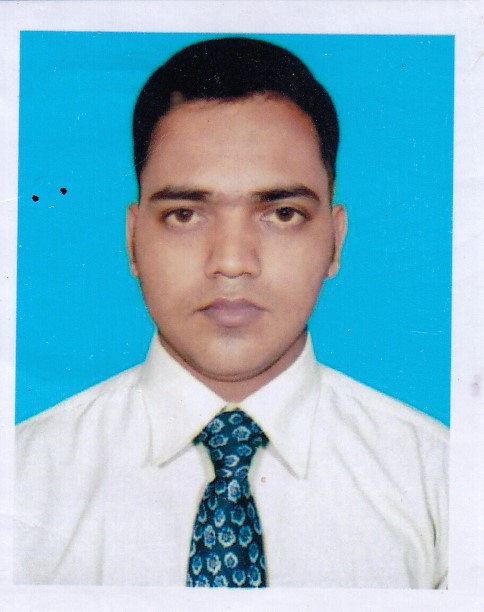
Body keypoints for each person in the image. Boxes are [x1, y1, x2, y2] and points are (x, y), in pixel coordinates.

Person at [15, 37, 448, 588]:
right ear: (132, 240)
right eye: (184, 214)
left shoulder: (442, 482)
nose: (232, 262)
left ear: (335, 241)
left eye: (283, 213)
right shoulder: (22, 481)